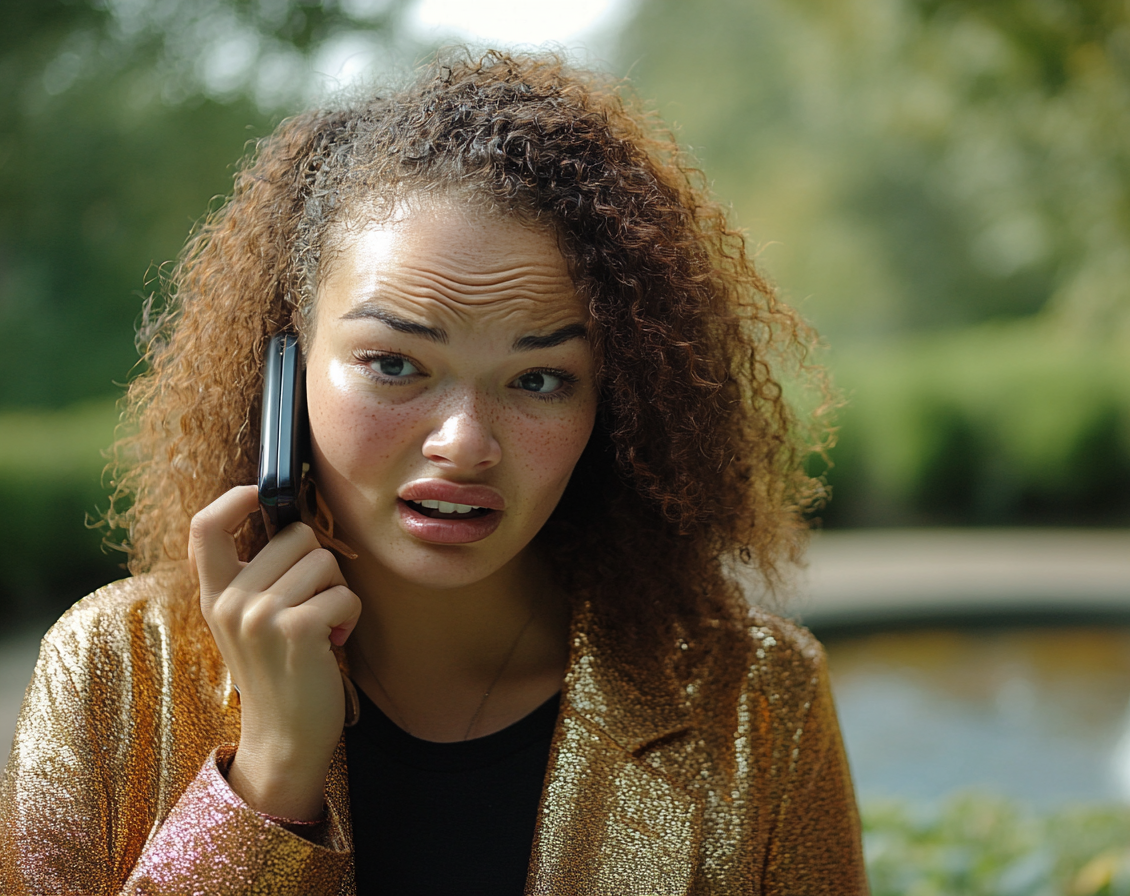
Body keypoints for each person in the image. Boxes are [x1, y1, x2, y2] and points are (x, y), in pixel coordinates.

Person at [0, 51, 866, 894]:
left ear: (614, 400)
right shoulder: (111, 670)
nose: (464, 443)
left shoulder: (755, 696)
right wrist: (268, 777)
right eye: (394, 364)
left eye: (539, 379)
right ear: (286, 370)